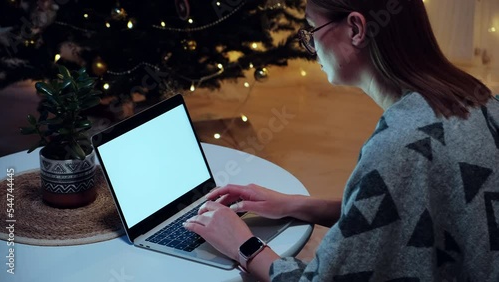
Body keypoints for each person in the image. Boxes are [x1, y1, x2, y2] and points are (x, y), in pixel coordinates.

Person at [184, 0, 499, 281]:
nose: (310, 46)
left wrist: (243, 244)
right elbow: (416, 203)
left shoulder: (401, 143)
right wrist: (298, 205)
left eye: (311, 30)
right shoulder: (473, 96)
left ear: (356, 29)